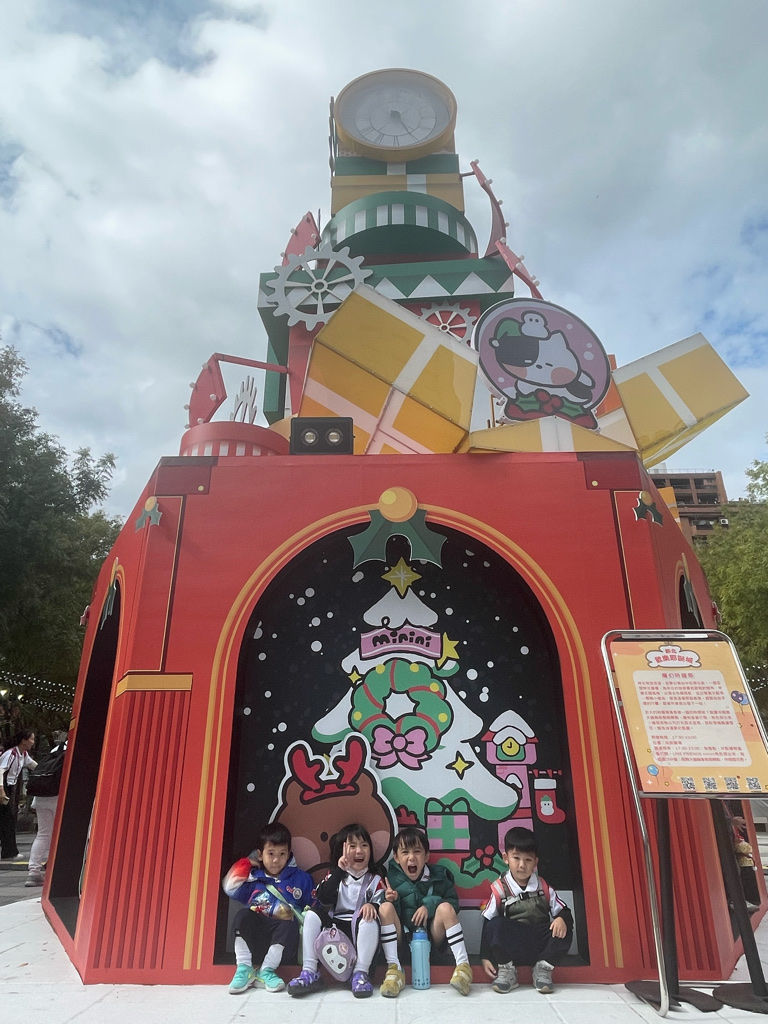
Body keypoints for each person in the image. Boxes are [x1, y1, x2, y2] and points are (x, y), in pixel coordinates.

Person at [288, 823, 386, 999]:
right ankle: (310, 971)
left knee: (369, 919)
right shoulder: (335, 875)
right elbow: (323, 898)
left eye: (364, 845)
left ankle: (360, 973)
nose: (359, 851)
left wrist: (373, 905)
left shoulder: (375, 879)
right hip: (335, 931)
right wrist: (340, 871)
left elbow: (383, 902)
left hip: (359, 930)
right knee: (311, 915)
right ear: (342, 850)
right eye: (352, 846)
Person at [222, 821, 316, 994]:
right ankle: (244, 968)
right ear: (260, 854)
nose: (275, 860)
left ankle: (266, 971)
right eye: (270, 853)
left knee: (289, 923)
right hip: (255, 945)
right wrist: (248, 862)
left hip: (283, 949)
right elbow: (229, 886)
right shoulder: (253, 879)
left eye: (282, 854)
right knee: (242, 916)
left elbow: (314, 909)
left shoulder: (302, 879)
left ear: (289, 854)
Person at [379, 825, 472, 997]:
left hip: (431, 940)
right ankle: (394, 969)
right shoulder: (389, 879)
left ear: (426, 856)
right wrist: (392, 900)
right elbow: (388, 915)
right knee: (385, 908)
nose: (411, 857)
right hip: (403, 942)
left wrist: (429, 906)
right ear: (396, 857)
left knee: (445, 907)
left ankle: (463, 967)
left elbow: (453, 904)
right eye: (405, 852)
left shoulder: (439, 876)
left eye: (417, 852)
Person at [481, 825, 573, 994]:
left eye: (528, 860)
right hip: (512, 946)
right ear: (506, 858)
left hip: (540, 945)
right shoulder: (499, 888)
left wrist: (561, 919)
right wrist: (485, 957)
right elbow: (488, 922)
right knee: (495, 924)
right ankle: (507, 971)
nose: (522, 865)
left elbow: (564, 911)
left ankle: (543, 968)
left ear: (535, 862)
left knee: (566, 929)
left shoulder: (543, 886)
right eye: (516, 858)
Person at [25, 731, 68, 887]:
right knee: (64, 833)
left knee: (43, 834)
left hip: (42, 796)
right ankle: (59, 871)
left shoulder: (56, 750)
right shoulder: (74, 751)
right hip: (59, 796)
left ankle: (33, 872)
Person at [0, 729, 37, 861]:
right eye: (31, 739)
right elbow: (0, 771)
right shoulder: (11, 753)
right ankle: (9, 852)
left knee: (8, 820)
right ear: (24, 740)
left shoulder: (23, 754)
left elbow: (33, 765)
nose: (33, 742)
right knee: (8, 820)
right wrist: (2, 790)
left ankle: (9, 851)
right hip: (3, 786)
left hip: (10, 788)